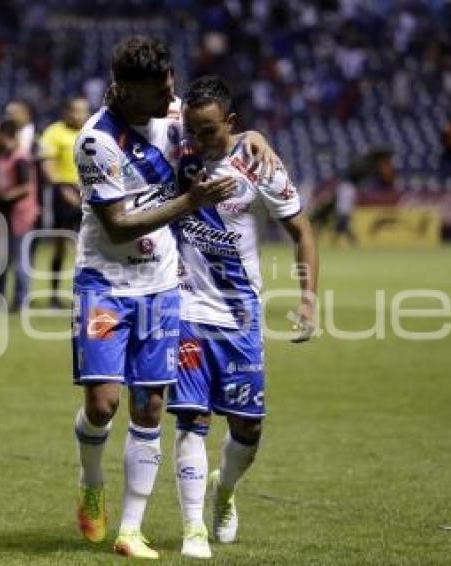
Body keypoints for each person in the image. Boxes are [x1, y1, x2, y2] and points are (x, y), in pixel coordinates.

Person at [70, 36, 278, 559]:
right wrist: (188, 202)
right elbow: (116, 227)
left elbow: (222, 129)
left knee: (149, 404)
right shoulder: (98, 141)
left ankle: (131, 529)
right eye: (161, 90)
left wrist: (255, 135)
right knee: (103, 405)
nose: (172, 98)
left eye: (172, 84)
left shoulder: (171, 111)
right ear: (126, 91)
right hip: (105, 285)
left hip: (162, 286)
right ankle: (91, 485)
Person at [167, 76, 319, 558]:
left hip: (240, 315)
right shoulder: (176, 145)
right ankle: (192, 528)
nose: (197, 139)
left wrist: (308, 299)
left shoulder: (258, 164)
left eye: (209, 130)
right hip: (185, 307)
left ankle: (225, 490)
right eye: (192, 129)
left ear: (230, 123)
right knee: (191, 419)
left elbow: (302, 231)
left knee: (247, 430)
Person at [39, 96, 90, 308]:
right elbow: (47, 166)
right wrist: (62, 190)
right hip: (63, 192)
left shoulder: (92, 130)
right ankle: (54, 295)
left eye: (83, 111)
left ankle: (84, 294)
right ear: (67, 112)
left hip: (88, 191)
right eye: (75, 110)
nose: (79, 115)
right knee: (60, 245)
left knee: (88, 248)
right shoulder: (54, 132)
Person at [0, 119, 38, 311]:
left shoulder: (21, 158)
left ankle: (21, 301)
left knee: (19, 261)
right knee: (3, 261)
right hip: (5, 215)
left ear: (5, 135)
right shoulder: (4, 156)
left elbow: (26, 187)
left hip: (20, 216)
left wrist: (5, 196)